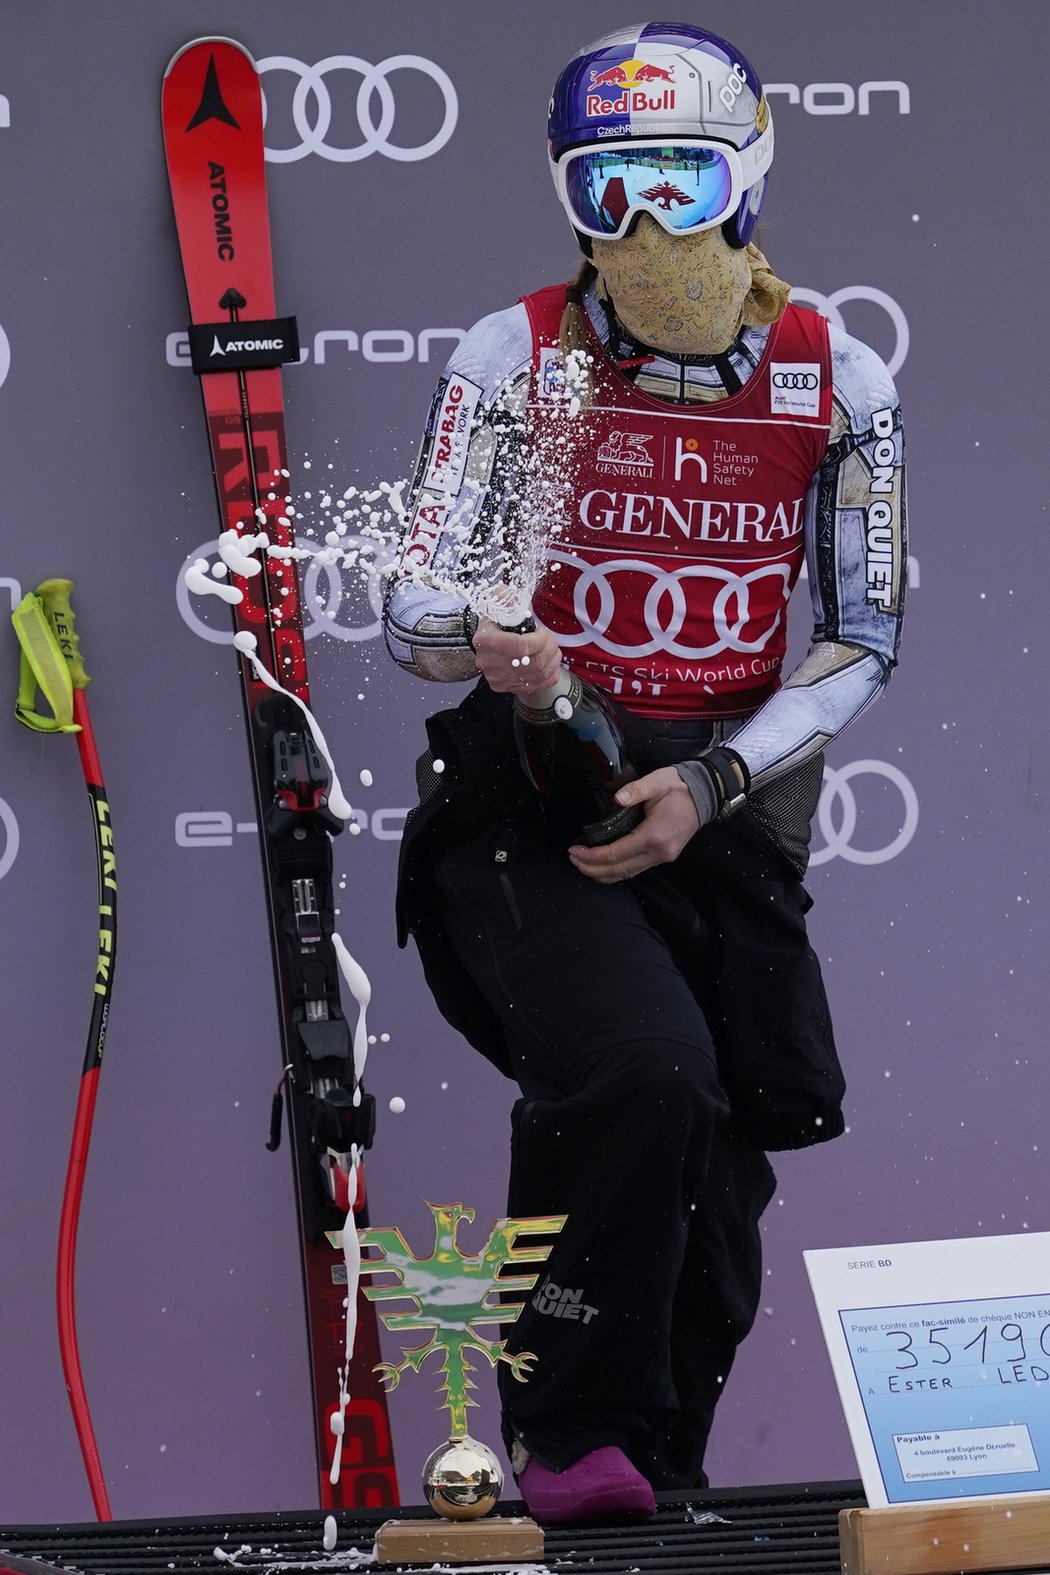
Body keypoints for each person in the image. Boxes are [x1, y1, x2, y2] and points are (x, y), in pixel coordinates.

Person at [383, 21, 905, 1525]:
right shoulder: (519, 354)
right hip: (530, 799)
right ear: (567, 192)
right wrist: (497, 635)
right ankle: (565, 1438)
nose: (644, 225)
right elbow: (414, 603)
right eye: (606, 186)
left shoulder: (835, 372)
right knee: (636, 1075)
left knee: (719, 1186)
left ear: (743, 175)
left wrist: (715, 786)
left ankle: (643, 1485)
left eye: (676, 180)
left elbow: (863, 637)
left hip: (720, 812)